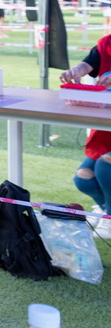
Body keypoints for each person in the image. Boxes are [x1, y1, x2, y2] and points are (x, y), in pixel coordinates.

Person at [59, 44, 111, 239]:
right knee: (83, 179)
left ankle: (109, 216)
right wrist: (75, 71)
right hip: (107, 129)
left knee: (105, 166)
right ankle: (105, 208)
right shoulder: (107, 43)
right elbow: (87, 64)